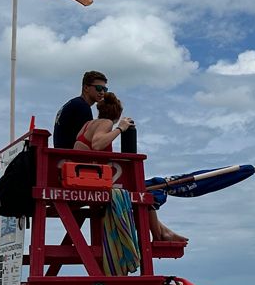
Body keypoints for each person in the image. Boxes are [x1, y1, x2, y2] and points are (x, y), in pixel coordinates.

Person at [75, 91, 188, 243]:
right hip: (94, 181)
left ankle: (164, 232)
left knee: (141, 191)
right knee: (146, 192)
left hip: (85, 177)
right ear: (117, 114)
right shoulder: (106, 123)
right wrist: (120, 128)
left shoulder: (88, 125)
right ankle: (159, 235)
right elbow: (97, 144)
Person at [53, 70, 108, 149]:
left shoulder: (73, 103)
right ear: (86, 88)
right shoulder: (82, 107)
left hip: (61, 156)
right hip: (71, 157)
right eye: (99, 88)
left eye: (105, 89)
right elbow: (87, 140)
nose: (102, 92)